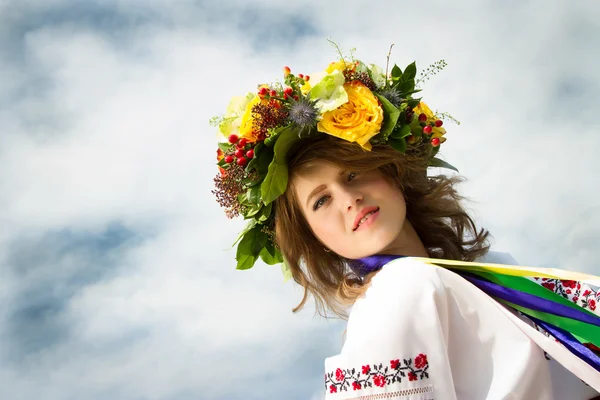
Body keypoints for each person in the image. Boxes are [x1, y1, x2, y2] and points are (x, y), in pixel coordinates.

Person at [212, 49, 600, 399]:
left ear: (391, 173)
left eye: (352, 175)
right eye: (322, 201)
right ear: (316, 239)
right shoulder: (401, 288)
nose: (349, 201)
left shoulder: (491, 269)